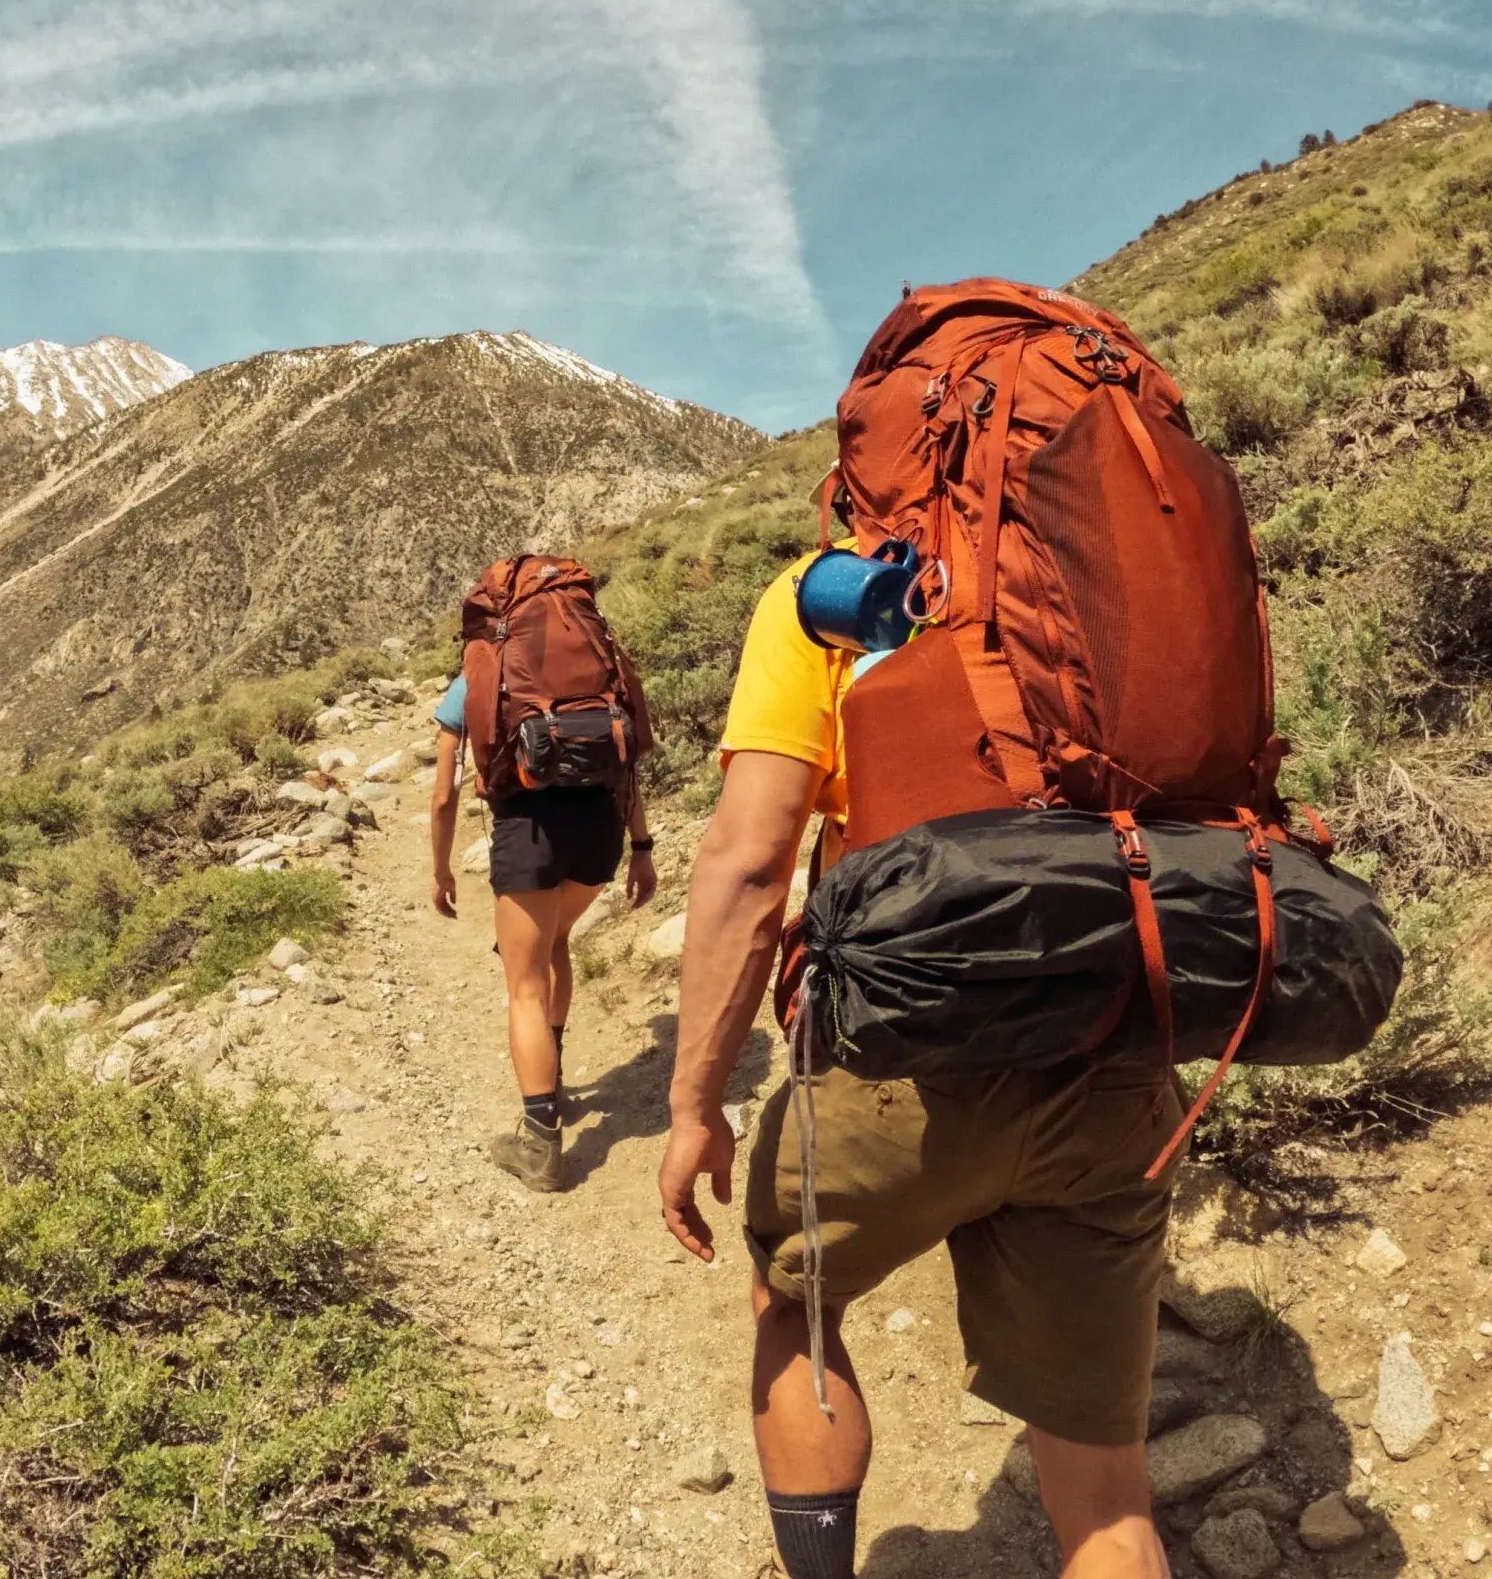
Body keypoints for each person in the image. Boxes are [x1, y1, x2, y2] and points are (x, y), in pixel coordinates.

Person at [654, 556, 1181, 1579]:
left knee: (794, 1302)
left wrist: (693, 1103)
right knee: (1110, 1492)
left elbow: (751, 862)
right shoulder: (1121, 567)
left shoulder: (824, 596)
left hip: (894, 1057)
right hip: (1109, 1047)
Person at [430, 670, 657, 1190]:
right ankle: (550, 1082)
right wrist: (641, 847)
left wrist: (441, 869)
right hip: (600, 832)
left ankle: (541, 1145)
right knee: (556, 940)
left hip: (528, 834)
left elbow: (445, 794)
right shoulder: (598, 667)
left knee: (524, 987)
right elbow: (628, 770)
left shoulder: (480, 673)